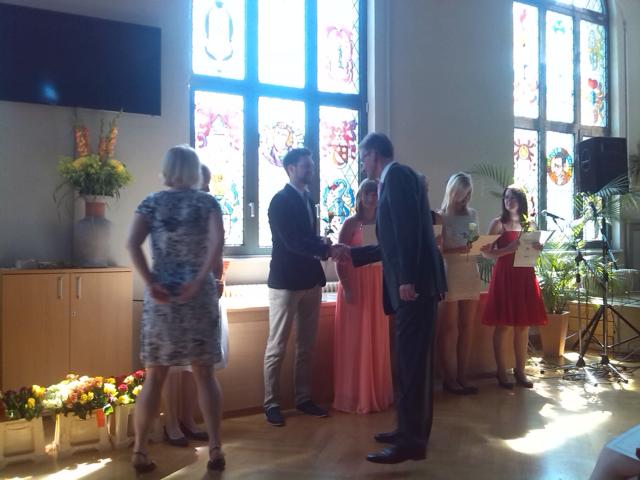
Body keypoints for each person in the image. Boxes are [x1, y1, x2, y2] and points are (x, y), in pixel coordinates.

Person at [127, 145, 225, 473]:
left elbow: (131, 244)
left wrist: (151, 281)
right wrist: (198, 280)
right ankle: (215, 448)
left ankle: (140, 450)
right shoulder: (207, 203)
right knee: (204, 374)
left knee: (155, 377)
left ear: (167, 169)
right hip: (197, 297)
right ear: (195, 170)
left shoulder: (151, 203)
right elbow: (217, 242)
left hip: (162, 298)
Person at [350, 132, 447, 464]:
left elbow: (408, 232)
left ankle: (410, 441)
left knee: (412, 364)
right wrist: (353, 253)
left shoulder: (397, 176)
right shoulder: (397, 179)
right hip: (415, 285)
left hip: (414, 287)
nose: (362, 163)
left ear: (375, 154)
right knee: (411, 363)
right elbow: (393, 242)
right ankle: (410, 431)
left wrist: (406, 278)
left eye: (364, 157)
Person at [263, 147, 348, 427]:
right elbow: (291, 241)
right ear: (290, 169)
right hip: (286, 283)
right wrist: (326, 250)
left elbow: (306, 237)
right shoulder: (279, 201)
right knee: (277, 346)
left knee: (307, 346)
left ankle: (303, 398)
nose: (310, 169)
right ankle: (271, 403)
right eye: (305, 166)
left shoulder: (308, 200)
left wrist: (323, 242)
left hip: (311, 281)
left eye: (311, 165)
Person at [160, 164, 225, 447]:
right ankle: (170, 423)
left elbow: (217, 250)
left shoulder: (209, 209)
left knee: (195, 366)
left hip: (204, 295)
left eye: (208, 184)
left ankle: (188, 418)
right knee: (172, 367)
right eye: (203, 183)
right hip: (176, 295)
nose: (207, 189)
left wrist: (218, 279)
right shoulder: (169, 208)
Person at [333, 179, 393, 414]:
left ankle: (375, 392)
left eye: (375, 194)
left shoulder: (384, 221)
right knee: (356, 339)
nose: (371, 198)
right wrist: (346, 286)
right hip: (355, 282)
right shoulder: (351, 223)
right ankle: (354, 394)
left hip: (378, 282)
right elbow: (339, 257)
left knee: (376, 337)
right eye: (367, 193)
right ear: (359, 197)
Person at [480, 186, 547, 389]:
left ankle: (521, 371)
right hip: (505, 276)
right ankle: (501, 371)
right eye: (506, 197)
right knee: (504, 325)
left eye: (513, 197)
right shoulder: (497, 223)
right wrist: (507, 250)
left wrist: (538, 248)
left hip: (524, 275)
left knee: (523, 325)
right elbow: (485, 253)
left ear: (521, 201)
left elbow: (531, 252)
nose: (508, 201)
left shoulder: (529, 224)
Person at [437, 172, 482, 395]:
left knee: (467, 328)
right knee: (450, 329)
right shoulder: (440, 216)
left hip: (470, 272)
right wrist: (458, 249)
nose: (463, 198)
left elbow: (474, 241)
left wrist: (479, 246)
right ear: (452, 190)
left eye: (467, 194)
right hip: (451, 273)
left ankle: (463, 376)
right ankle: (450, 378)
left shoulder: (472, 214)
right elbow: (438, 250)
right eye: (460, 193)